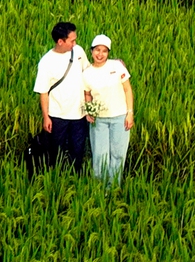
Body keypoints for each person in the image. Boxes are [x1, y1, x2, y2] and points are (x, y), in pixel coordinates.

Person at [34, 20, 89, 172]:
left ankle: (75, 177)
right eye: (72, 40)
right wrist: (46, 117)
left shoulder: (78, 51)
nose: (75, 43)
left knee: (77, 150)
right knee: (56, 151)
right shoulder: (46, 62)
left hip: (79, 114)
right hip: (58, 115)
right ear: (60, 41)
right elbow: (43, 92)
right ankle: (56, 177)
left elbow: (88, 72)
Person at [82, 35, 134, 183]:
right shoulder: (87, 73)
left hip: (120, 117)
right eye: (97, 50)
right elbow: (87, 94)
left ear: (108, 53)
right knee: (100, 154)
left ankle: (113, 187)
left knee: (118, 154)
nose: (100, 54)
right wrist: (89, 111)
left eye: (104, 51)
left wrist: (130, 113)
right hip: (100, 120)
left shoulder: (117, 66)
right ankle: (99, 186)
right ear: (91, 51)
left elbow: (127, 90)